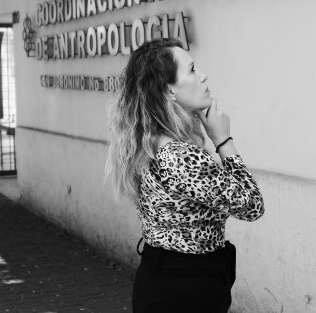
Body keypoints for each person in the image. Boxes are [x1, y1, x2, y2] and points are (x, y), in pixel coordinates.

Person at [106, 38, 264, 311]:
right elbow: (251, 205)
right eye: (191, 70)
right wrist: (224, 140)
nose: (202, 76)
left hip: (170, 280)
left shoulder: (151, 141)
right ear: (168, 91)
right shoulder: (179, 156)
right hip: (185, 290)